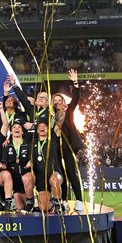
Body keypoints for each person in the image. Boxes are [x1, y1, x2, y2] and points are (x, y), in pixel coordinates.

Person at [53, 69, 86, 212]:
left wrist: (76, 83)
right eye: (55, 101)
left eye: (60, 101)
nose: (58, 103)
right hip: (56, 149)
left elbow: (76, 99)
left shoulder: (69, 111)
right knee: (62, 175)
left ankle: (79, 200)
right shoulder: (51, 117)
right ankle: (65, 200)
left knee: (72, 173)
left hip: (69, 148)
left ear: (63, 102)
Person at [0, 123, 35, 212]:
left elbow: (32, 158)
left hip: (25, 175)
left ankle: (31, 201)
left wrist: (31, 162)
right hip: (14, 179)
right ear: (11, 132)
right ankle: (7, 201)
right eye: (14, 127)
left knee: (27, 178)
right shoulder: (7, 146)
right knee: (20, 209)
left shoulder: (28, 144)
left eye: (19, 127)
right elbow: (4, 162)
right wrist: (3, 166)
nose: (16, 129)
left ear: (22, 132)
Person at [31, 121, 63, 213]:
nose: (42, 127)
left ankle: (58, 204)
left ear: (48, 130)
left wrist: (62, 111)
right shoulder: (33, 144)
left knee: (54, 180)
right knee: (43, 208)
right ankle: (51, 204)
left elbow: (58, 125)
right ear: (37, 130)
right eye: (40, 126)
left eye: (45, 126)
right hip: (41, 178)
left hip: (53, 173)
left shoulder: (52, 140)